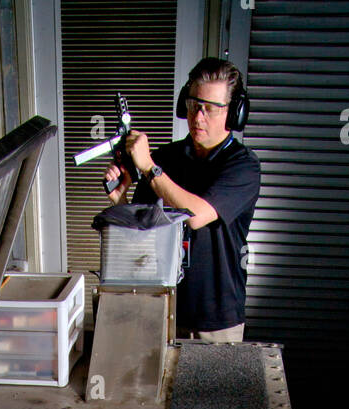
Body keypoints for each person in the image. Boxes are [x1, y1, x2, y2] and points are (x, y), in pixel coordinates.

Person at [104, 58, 260, 341]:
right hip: (161, 310)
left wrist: (150, 168)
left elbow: (196, 215)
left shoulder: (243, 166)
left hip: (216, 320)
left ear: (235, 113)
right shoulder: (166, 159)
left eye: (211, 109)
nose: (198, 117)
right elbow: (140, 233)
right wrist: (121, 199)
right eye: (193, 104)